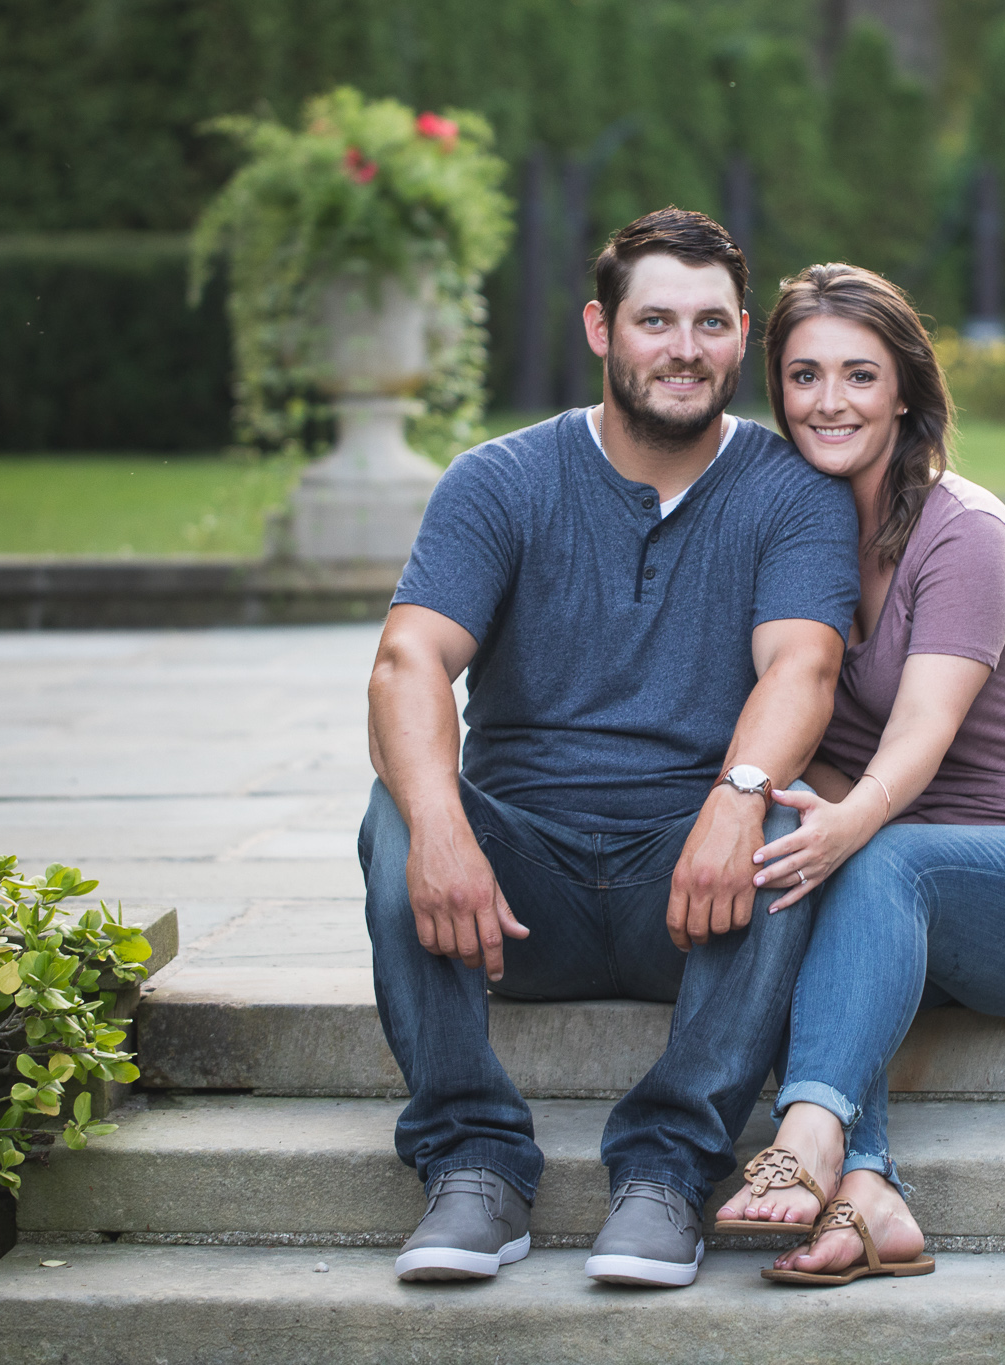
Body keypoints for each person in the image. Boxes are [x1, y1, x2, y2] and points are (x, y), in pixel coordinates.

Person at [359, 208, 858, 1289]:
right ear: (600, 328)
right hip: (509, 898)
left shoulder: (792, 495)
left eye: (712, 324)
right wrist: (442, 830)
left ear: (738, 341)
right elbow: (408, 661)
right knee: (397, 801)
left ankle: (671, 1174)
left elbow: (800, 670)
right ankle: (471, 1164)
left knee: (786, 813)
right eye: (656, 320)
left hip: (692, 894)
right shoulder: (498, 480)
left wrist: (735, 800)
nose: (685, 348)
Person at [710, 264, 1005, 1286]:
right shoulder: (801, 528)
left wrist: (839, 816)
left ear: (903, 389)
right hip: (908, 878)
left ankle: (810, 1138)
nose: (829, 402)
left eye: (859, 376)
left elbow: (917, 736)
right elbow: (804, 717)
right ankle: (869, 1197)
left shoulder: (965, 531)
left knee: (862, 852)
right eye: (804, 375)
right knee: (823, 858)